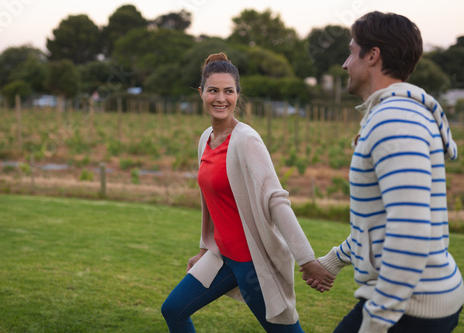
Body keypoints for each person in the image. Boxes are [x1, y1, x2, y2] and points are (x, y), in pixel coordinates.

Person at [303, 11, 464, 333]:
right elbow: (380, 220)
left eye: (351, 52)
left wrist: (377, 322)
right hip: (417, 301)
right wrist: (334, 260)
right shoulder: (393, 115)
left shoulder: (395, 121)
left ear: (372, 56)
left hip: (410, 307)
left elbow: (411, 229)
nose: (345, 64)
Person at [161, 52, 335, 332]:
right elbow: (212, 202)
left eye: (228, 91)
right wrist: (204, 248)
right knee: (173, 310)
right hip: (221, 257)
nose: (221, 98)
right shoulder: (206, 138)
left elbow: (276, 201)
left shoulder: (246, 141)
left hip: (251, 264)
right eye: (213, 90)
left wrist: (307, 260)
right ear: (201, 93)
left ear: (238, 95)